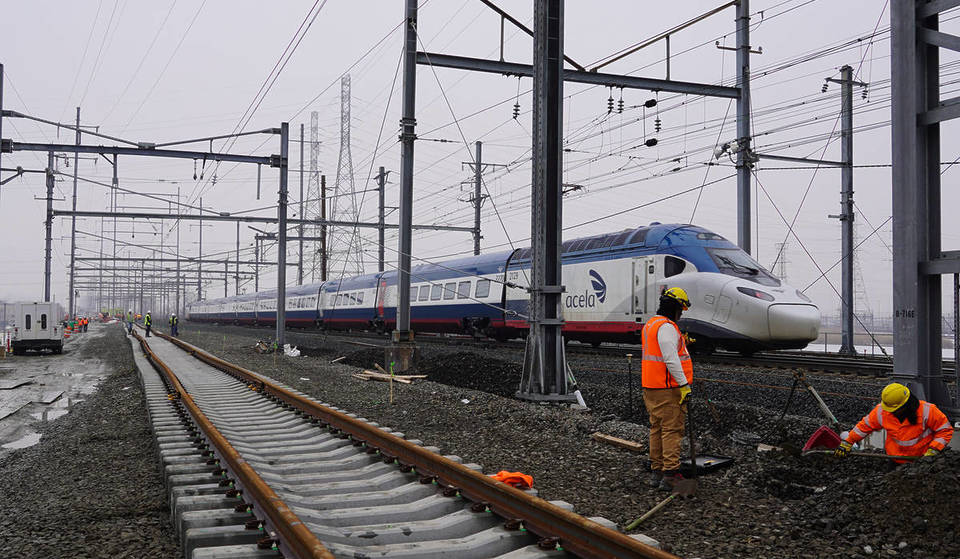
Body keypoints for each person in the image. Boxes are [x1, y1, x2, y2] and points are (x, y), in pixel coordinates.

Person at [642, 286, 694, 491]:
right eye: (681, 309)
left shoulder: (651, 324)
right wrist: (683, 385)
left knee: (657, 428)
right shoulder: (667, 327)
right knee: (672, 430)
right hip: (668, 388)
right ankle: (670, 475)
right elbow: (670, 359)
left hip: (651, 387)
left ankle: (657, 473)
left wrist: (681, 342)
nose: (681, 314)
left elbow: (661, 349)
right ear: (675, 308)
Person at [836, 382, 952, 463]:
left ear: (905, 405)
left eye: (894, 410)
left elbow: (945, 430)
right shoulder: (882, 411)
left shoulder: (928, 411)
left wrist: (933, 450)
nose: (891, 412)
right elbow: (864, 427)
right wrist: (848, 442)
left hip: (921, 461)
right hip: (894, 459)